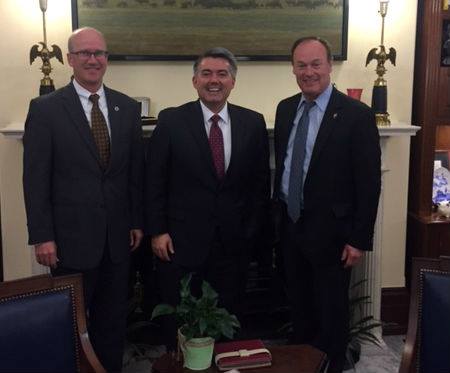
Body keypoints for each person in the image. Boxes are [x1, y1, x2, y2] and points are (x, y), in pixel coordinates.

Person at [23, 27, 144, 372]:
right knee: (71, 323)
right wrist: (42, 235)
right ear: (71, 59)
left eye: (100, 53)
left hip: (118, 240)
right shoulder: (46, 109)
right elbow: (35, 178)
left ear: (107, 59)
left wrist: (136, 221)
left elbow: (133, 173)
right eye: (85, 53)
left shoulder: (126, 106)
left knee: (112, 322)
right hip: (69, 241)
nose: (93, 60)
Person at [145, 47, 270, 349]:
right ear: (195, 80)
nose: (214, 80)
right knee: (180, 323)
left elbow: (259, 186)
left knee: (229, 321)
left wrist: (250, 234)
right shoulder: (172, 122)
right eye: (207, 73)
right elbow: (154, 180)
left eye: (222, 74)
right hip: (180, 244)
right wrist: (158, 231)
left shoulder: (253, 123)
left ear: (233, 82)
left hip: (232, 246)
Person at [272, 36, 381, 373]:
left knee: (331, 318)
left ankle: (331, 367)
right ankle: (302, 366)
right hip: (291, 229)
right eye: (301, 65)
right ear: (292, 68)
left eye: (315, 64)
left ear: (329, 66)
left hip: (334, 236)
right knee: (299, 312)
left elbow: (369, 182)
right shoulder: (286, 108)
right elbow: (286, 166)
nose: (309, 72)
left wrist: (359, 239)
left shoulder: (356, 115)